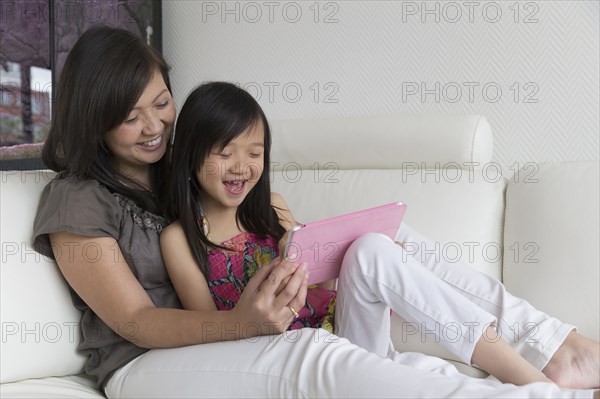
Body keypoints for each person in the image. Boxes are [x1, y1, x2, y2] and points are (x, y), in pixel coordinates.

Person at [31, 25, 598, 398]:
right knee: (311, 354)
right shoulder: (77, 198)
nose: (155, 126)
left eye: (161, 103)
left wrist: (332, 256)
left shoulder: (183, 163)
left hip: (243, 333)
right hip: (143, 367)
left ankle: (555, 349)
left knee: (383, 246)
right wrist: (242, 324)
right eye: (132, 116)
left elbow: (255, 211)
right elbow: (137, 322)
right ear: (94, 117)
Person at [160, 81, 600, 389]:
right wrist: (260, 307)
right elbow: (212, 332)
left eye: (254, 153)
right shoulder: (181, 238)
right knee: (375, 251)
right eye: (225, 153)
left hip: (342, 332)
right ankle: (541, 379)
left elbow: (319, 284)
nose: (241, 167)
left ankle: (549, 362)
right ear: (192, 155)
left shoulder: (272, 207)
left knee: (381, 241)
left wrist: (358, 268)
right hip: (291, 356)